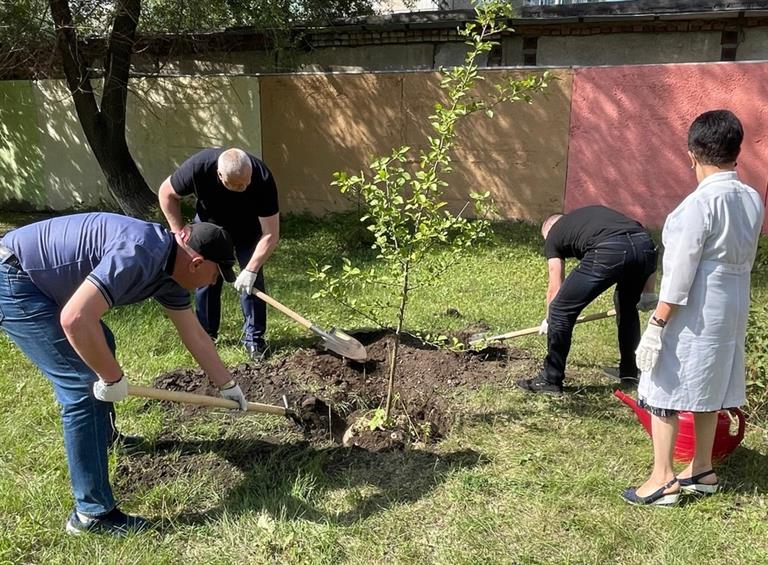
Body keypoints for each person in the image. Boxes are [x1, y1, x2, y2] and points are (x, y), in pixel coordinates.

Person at [0, 213, 249, 536]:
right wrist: (112, 377)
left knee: (103, 343)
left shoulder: (170, 272)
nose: (214, 283)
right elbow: (75, 319)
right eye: (217, 274)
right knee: (81, 385)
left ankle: (103, 437)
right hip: (15, 277)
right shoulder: (140, 253)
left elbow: (195, 335)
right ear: (197, 263)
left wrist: (226, 385)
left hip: (36, 277)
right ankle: (92, 515)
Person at [623, 110, 764, 506]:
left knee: (663, 382)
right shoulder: (751, 198)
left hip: (695, 307)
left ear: (692, 154)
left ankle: (663, 479)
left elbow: (680, 273)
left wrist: (657, 323)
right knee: (710, 382)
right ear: (737, 151)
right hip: (732, 304)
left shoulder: (698, 206)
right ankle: (701, 468)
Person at [516, 205, 658, 395]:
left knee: (560, 310)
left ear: (548, 230)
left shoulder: (553, 234)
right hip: (645, 248)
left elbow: (555, 286)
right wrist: (649, 292)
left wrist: (551, 318)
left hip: (610, 251)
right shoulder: (594, 218)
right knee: (626, 306)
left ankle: (550, 379)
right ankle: (629, 372)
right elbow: (642, 238)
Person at [158, 147, 280, 361]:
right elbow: (166, 193)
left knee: (253, 283)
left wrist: (250, 269)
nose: (244, 188)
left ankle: (254, 341)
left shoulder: (262, 178)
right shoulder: (199, 167)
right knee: (205, 280)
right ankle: (206, 335)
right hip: (209, 227)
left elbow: (271, 233)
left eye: (246, 182)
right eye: (236, 185)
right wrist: (178, 234)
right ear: (219, 175)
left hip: (249, 230)